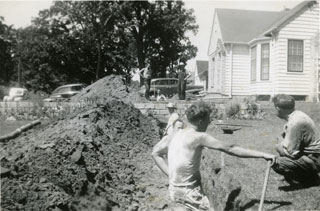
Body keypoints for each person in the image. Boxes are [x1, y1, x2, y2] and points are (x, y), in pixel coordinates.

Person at [152, 101, 275, 210]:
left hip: (174, 191)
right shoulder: (199, 137)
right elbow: (230, 148)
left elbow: (155, 153)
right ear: (201, 121)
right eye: (208, 121)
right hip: (190, 194)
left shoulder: (174, 134)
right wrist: (262, 154)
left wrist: (171, 175)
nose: (208, 124)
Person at [271, 94, 320, 186]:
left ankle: (310, 178)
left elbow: (291, 153)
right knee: (283, 144)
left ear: (278, 108)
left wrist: (277, 145)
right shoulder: (297, 115)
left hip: (315, 158)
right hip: (312, 155)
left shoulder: (296, 122)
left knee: (277, 162)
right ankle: (300, 176)